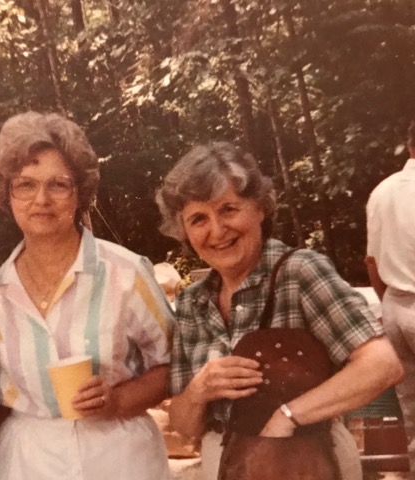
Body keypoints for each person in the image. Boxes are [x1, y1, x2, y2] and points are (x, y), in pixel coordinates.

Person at [154, 141, 404, 480]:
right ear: (184, 231)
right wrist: (200, 389)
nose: (216, 230)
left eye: (228, 209)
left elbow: (382, 365)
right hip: (226, 466)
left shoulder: (299, 273)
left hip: (308, 462)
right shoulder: (192, 303)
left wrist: (288, 415)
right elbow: (185, 428)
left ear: (259, 208)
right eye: (198, 219)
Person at [0, 111, 173, 480]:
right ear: (7, 194)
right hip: (26, 460)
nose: (41, 199)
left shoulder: (125, 272)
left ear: (80, 193)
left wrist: (118, 400)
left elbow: (172, 364)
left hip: (120, 454)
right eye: (25, 185)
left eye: (58, 185)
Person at [366, 120, 415, 474]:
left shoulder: (382, 191)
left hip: (395, 306)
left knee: (412, 412)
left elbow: (371, 261)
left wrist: (391, 304)